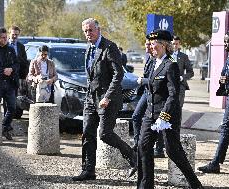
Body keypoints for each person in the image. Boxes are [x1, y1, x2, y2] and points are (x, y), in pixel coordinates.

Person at [72, 18, 136, 181]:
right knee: (87, 133)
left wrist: (107, 96)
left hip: (108, 99)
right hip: (91, 99)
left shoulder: (109, 47)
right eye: (85, 31)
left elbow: (118, 74)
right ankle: (88, 170)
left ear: (98, 30)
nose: (88, 33)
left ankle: (134, 157)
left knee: (105, 134)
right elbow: (91, 75)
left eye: (91, 30)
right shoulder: (89, 48)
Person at [137, 29, 203, 189]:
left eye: (155, 44)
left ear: (165, 45)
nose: (152, 47)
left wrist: (164, 116)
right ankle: (145, 186)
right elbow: (151, 85)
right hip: (150, 113)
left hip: (167, 115)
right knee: (143, 147)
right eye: (151, 44)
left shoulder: (171, 65)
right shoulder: (153, 62)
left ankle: (195, 184)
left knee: (173, 151)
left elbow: (173, 94)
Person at [198, 30, 229, 174]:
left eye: (228, 41)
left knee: (225, 129)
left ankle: (215, 163)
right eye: (224, 41)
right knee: (225, 129)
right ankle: (216, 162)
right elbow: (226, 72)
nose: (225, 43)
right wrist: (223, 79)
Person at [172, 36, 194, 114]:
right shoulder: (166, 56)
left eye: (176, 44)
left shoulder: (183, 56)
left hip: (180, 85)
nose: (175, 46)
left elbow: (191, 72)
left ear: (179, 44)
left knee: (178, 108)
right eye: (173, 44)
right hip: (167, 85)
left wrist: (182, 77)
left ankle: (177, 126)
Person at [8, 26, 28, 95]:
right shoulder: (4, 45)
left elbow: (24, 61)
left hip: (17, 75)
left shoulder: (21, 46)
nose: (14, 36)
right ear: (9, 34)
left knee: (15, 95)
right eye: (13, 34)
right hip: (5, 74)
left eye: (16, 34)